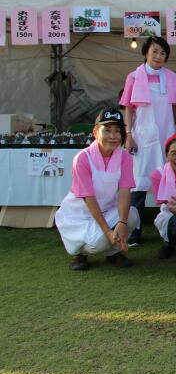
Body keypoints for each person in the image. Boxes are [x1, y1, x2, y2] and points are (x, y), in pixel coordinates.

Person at [55, 109, 140, 270]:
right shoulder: (82, 158)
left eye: (117, 131)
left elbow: (124, 191)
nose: (113, 136)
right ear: (95, 132)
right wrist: (108, 232)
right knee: (98, 243)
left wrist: (122, 222)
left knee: (131, 216)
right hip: (79, 214)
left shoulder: (125, 158)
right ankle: (80, 254)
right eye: (107, 130)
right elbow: (89, 198)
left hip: (108, 210)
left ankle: (114, 254)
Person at [119, 36, 176, 245]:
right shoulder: (133, 77)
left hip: (167, 135)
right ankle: (134, 231)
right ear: (145, 53)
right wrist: (128, 135)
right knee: (138, 185)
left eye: (163, 53)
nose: (158, 56)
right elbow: (128, 108)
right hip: (143, 137)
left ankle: (170, 229)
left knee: (169, 182)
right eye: (154, 51)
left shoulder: (171, 77)